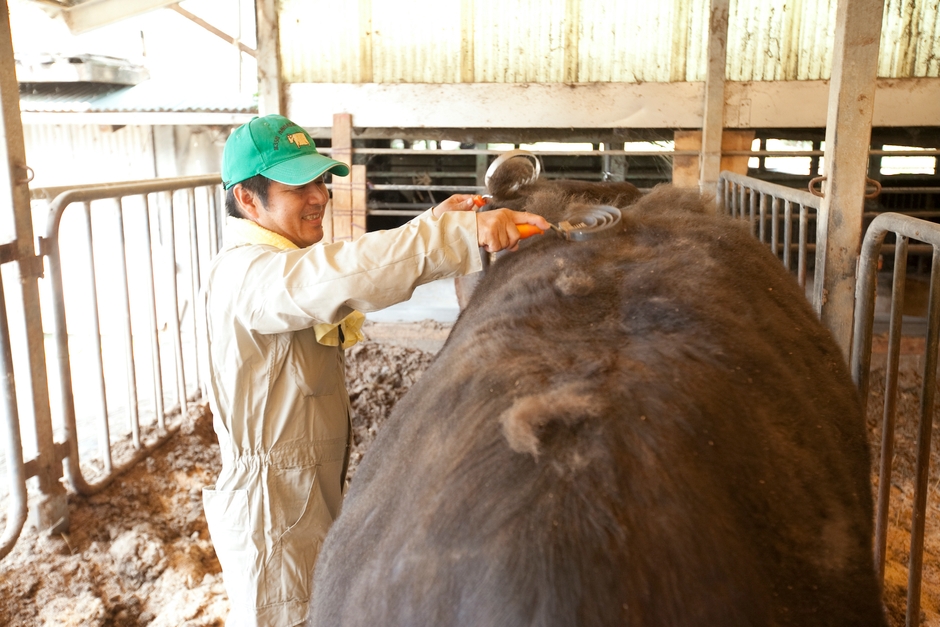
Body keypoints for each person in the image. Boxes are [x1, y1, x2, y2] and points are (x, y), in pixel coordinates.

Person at [200, 114, 549, 627]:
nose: (319, 195)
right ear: (248, 200)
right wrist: (456, 235)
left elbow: (345, 268)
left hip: (304, 487)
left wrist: (434, 224)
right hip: (273, 508)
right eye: (298, 185)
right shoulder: (250, 274)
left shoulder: (280, 263)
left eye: (320, 179)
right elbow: (340, 274)